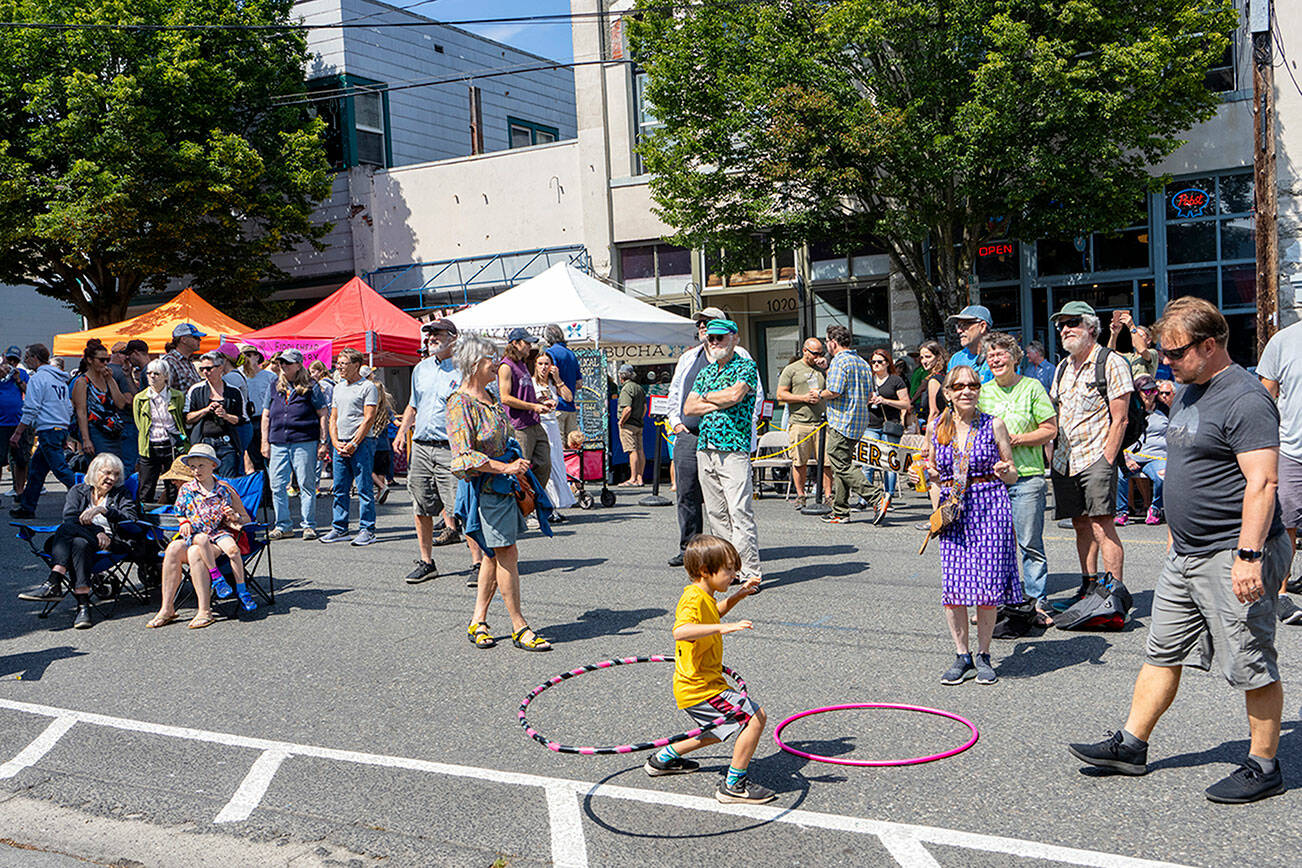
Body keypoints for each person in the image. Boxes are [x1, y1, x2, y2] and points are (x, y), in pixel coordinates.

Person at [1067, 297, 1290, 805]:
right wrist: (1175, 532)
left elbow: (1263, 482)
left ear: (1210, 345)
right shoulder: (1191, 390)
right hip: (1186, 552)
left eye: (1175, 352)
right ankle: (1131, 744)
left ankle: (1264, 764)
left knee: (1250, 660)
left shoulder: (1246, 399)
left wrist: (1249, 556)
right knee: (1161, 651)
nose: (1166, 361)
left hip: (1232, 553)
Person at [643, 534, 775, 805]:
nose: (734, 574)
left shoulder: (704, 595)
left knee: (717, 730)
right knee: (755, 716)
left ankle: (662, 759)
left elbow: (712, 614)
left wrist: (736, 597)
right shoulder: (692, 599)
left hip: (702, 682)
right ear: (705, 571)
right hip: (699, 687)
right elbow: (681, 631)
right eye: (728, 569)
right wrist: (722, 628)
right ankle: (734, 785)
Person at [448, 332, 552, 652]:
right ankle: (519, 626)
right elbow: (461, 457)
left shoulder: (490, 397)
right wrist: (504, 467)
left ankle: (478, 620)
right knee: (506, 553)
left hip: (502, 487)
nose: (496, 364)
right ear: (475, 363)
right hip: (485, 489)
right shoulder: (459, 403)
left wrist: (512, 464)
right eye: (490, 359)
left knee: (494, 556)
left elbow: (503, 437)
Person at [921, 367, 1021, 684]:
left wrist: (1006, 471)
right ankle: (962, 655)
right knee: (954, 588)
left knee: (987, 587)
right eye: (959, 385)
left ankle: (985, 654)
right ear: (948, 392)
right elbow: (932, 473)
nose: (967, 390)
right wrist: (932, 495)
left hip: (990, 507)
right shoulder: (937, 426)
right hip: (954, 511)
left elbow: (1012, 473)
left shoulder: (994, 424)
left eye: (973, 385)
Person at [1048, 300, 1132, 611]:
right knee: (1080, 524)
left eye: (1073, 323)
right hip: (1065, 459)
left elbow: (1120, 418)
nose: (1065, 329)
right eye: (1061, 325)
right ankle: (1088, 587)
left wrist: (1107, 460)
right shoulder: (1061, 367)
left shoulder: (1111, 362)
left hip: (1096, 457)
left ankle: (1113, 596)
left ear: (1091, 329)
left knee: (1101, 525)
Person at [977, 333, 1058, 620]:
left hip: (1026, 477)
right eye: (991, 355)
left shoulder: (1032, 387)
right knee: (994, 543)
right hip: (990, 480)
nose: (996, 359)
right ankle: (994, 602)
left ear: (1014, 358)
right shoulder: (982, 392)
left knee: (1029, 543)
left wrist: (1017, 440)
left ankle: (1037, 602)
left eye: (1001, 354)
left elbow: (1050, 430)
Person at [15, 452, 139, 629]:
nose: (111, 478)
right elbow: (71, 518)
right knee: (79, 543)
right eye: (107, 472)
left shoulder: (122, 494)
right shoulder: (78, 491)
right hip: (86, 541)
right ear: (95, 471)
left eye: (116, 474)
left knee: (66, 531)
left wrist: (103, 511)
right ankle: (83, 606)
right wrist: (96, 532)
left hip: (112, 541)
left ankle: (54, 581)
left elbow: (131, 518)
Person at [683, 319, 763, 586]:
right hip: (705, 447)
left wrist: (708, 398)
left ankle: (750, 571)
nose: (714, 343)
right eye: (711, 339)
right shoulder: (705, 372)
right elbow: (688, 408)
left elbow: (735, 396)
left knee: (739, 511)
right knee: (717, 515)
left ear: (734, 338)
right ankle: (730, 569)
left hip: (733, 448)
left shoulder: (745, 366)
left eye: (720, 338)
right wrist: (718, 399)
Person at [146, 443, 255, 628]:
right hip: (194, 535)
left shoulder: (224, 489)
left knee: (196, 552)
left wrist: (232, 517)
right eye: (193, 467)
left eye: (201, 466)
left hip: (217, 539)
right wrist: (185, 522)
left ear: (213, 465)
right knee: (172, 548)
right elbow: (180, 513)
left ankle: (205, 610)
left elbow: (244, 519)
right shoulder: (187, 489)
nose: (196, 470)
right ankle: (167, 608)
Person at [394, 319, 467, 584]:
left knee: (461, 507)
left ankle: (478, 563)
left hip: (452, 448)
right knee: (421, 506)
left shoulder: (464, 369)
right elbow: (413, 405)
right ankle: (426, 562)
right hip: (422, 447)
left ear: (454, 338)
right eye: (429, 334)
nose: (431, 338)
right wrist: (402, 433)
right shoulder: (421, 369)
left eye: (437, 333)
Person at [1256, 318, 1302, 625]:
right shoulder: (1283, 341)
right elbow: (1264, 397)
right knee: (1286, 523)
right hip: (1291, 449)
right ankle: (1281, 593)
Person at [816, 325, 884, 525]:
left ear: (833, 343)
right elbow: (871, 394)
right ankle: (840, 511)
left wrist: (819, 394)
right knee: (841, 466)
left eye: (827, 342)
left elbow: (835, 390)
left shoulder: (839, 361)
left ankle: (876, 496)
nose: (827, 345)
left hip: (842, 420)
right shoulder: (862, 362)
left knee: (841, 464)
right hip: (859, 421)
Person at [261, 349, 328, 540]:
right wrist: (264, 442)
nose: (283, 366)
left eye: (288, 363)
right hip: (278, 442)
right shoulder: (274, 385)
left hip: (304, 440)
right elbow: (266, 415)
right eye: (282, 363)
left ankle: (308, 525)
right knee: (277, 485)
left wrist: (323, 442)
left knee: (306, 484)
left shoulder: (311, 386)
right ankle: (283, 525)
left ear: (299, 365)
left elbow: (322, 413)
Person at [10, 344, 74, 519]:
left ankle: (87, 493)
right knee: (36, 471)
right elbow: (68, 407)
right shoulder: (59, 380)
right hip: (59, 427)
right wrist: (64, 427)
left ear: (35, 358)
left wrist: (18, 432)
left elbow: (31, 408)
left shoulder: (38, 379)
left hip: (48, 429)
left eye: (28, 356)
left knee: (60, 470)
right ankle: (27, 507)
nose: (26, 360)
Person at [322, 348, 379, 546]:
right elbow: (333, 418)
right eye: (339, 363)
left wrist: (355, 442)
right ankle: (340, 527)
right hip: (340, 442)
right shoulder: (338, 387)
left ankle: (367, 529)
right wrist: (335, 441)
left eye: (343, 363)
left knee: (364, 487)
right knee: (339, 487)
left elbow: (369, 417)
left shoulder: (368, 387)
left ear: (356, 365)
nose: (339, 366)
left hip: (361, 443)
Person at [775, 338, 832, 509]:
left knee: (827, 462)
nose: (817, 357)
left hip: (822, 423)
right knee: (799, 461)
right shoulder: (791, 370)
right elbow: (780, 395)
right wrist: (803, 398)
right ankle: (801, 495)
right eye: (814, 353)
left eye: (821, 353)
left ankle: (828, 495)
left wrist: (826, 367)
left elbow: (835, 388)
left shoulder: (823, 369)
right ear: (805, 351)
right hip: (800, 422)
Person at [498, 328, 553, 490]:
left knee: (544, 464)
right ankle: (523, 508)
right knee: (521, 468)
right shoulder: (506, 366)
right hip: (519, 426)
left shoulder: (521, 363)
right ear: (515, 343)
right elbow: (505, 397)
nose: (530, 347)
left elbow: (522, 394)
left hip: (533, 422)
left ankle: (535, 502)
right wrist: (534, 406)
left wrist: (539, 401)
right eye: (527, 343)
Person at [1115, 374, 1168, 527]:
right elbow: (1121, 436)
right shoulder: (1130, 411)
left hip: (1157, 456)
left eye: (1153, 391)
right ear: (1138, 392)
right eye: (1146, 391)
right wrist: (1125, 457)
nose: (1150, 395)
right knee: (1120, 474)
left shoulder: (1163, 410)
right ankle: (1122, 512)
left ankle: (1155, 509)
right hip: (1132, 455)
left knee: (1161, 477)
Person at [133, 359, 187, 504]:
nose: (152, 377)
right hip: (150, 445)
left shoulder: (177, 396)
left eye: (156, 374)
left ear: (166, 376)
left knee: (173, 485)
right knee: (146, 485)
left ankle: (174, 516)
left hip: (172, 445)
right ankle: (144, 517)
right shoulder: (140, 398)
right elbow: (140, 424)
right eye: (149, 373)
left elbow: (181, 419)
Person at [864, 348, 910, 518]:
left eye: (880, 362)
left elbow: (906, 404)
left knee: (889, 463)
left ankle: (888, 496)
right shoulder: (868, 380)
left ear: (887, 363)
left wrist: (885, 401)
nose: (876, 365)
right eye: (873, 362)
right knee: (868, 462)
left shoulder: (895, 380)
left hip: (890, 424)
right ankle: (868, 498)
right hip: (871, 424)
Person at [184, 351, 244, 477]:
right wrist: (205, 410)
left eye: (209, 368)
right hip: (203, 442)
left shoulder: (233, 392)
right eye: (202, 369)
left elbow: (240, 419)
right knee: (205, 480)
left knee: (227, 481)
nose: (205, 372)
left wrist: (225, 415)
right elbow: (188, 418)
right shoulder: (196, 390)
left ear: (220, 368)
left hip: (227, 443)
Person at [533, 351, 576, 512]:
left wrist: (557, 379)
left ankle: (559, 500)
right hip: (540, 424)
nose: (544, 367)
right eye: (541, 364)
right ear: (535, 366)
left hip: (553, 425)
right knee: (546, 462)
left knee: (558, 461)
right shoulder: (531, 383)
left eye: (547, 364)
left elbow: (569, 397)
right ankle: (548, 501)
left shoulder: (552, 384)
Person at [71, 339, 129, 460]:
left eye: (107, 360)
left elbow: (121, 404)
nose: (105, 363)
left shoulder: (107, 378)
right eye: (101, 360)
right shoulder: (82, 382)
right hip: (95, 431)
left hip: (112, 430)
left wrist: (110, 380)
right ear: (90, 360)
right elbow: (81, 412)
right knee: (100, 468)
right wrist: (86, 440)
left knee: (115, 466)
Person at [109, 338, 148, 472]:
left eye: (128, 354)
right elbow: (132, 400)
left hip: (114, 423)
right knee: (129, 464)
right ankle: (127, 491)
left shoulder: (111, 371)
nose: (127, 358)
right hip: (128, 422)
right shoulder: (119, 372)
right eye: (125, 354)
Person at [239, 344, 277, 473]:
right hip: (246, 419)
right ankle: (261, 489)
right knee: (254, 458)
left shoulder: (270, 377)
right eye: (245, 356)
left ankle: (270, 489)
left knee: (268, 457)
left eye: (250, 355)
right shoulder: (238, 375)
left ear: (257, 357)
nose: (248, 358)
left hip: (265, 419)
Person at [544, 324, 582, 444]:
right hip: (571, 407)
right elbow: (579, 383)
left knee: (558, 448)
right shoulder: (571, 354)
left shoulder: (550, 353)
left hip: (556, 406)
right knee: (573, 447)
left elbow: (546, 378)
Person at [0, 346, 29, 500]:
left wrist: (18, 379)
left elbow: (29, 392)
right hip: (1, 424)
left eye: (14, 361)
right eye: (9, 359)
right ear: (4, 357)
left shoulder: (22, 374)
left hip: (18, 422)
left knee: (21, 459)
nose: (11, 363)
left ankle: (19, 491)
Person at [364, 366, 396, 504]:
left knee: (366, 468)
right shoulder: (386, 409)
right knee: (381, 470)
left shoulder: (369, 408)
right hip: (385, 445)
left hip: (372, 442)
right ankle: (380, 493)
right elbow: (396, 422)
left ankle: (382, 487)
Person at [946, 304, 993, 382]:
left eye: (964, 325)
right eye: (958, 326)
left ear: (982, 326)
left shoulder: (999, 358)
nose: (959, 331)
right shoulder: (956, 359)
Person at [616, 364, 647, 486]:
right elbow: (645, 407)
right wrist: (639, 417)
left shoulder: (626, 388)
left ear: (622, 376)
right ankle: (640, 478)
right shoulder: (639, 388)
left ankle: (633, 478)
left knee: (632, 451)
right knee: (640, 450)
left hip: (628, 424)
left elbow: (627, 408)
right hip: (638, 423)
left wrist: (622, 421)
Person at [1108, 310, 1159, 379]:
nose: (1135, 337)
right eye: (1134, 335)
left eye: (1140, 336)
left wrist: (1131, 326)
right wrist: (1114, 334)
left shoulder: (1153, 353)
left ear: (1148, 340)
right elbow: (1110, 354)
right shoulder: (1130, 357)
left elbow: (1142, 350)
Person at [915, 340, 949, 434]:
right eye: (922, 358)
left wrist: (928, 438)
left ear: (938, 357)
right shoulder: (944, 376)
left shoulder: (934, 380)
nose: (924, 361)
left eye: (928, 357)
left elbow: (934, 412)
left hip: (939, 428)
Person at [162, 323, 204, 393]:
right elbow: (164, 392)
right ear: (183, 339)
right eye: (196, 337)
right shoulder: (169, 361)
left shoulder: (188, 361)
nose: (200, 340)